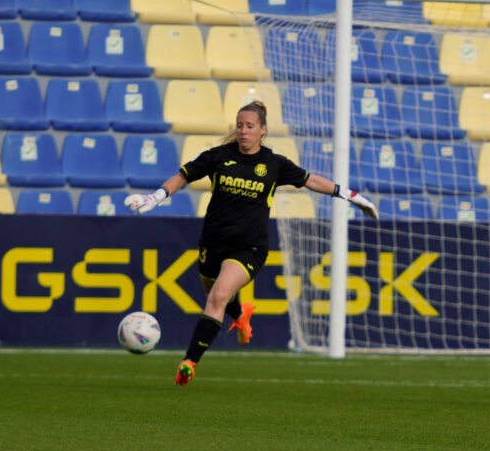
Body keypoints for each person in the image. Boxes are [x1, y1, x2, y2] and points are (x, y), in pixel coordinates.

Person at [124, 100, 378, 386]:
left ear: (262, 130)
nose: (243, 131)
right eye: (240, 125)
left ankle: (189, 363)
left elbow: (312, 181)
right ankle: (241, 316)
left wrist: (352, 196)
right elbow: (183, 176)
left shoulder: (274, 164)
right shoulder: (218, 156)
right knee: (221, 295)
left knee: (218, 296)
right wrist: (154, 197)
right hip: (213, 243)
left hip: (250, 248)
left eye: (250, 126)